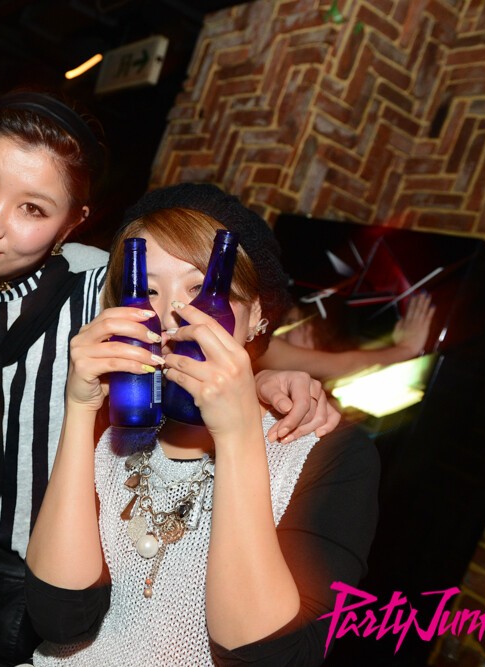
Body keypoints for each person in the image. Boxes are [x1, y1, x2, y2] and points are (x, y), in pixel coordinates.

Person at [0, 94, 341, 667]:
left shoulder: (106, 289)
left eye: (33, 208)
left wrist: (271, 380)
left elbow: (213, 328)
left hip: (45, 576)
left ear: (71, 223)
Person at [23, 183, 381, 666]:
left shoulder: (327, 453)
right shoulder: (113, 428)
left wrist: (237, 436)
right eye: (147, 289)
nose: (171, 316)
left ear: (257, 314)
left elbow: (268, 659)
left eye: (201, 288)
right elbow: (59, 620)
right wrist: (80, 409)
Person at [257, 292, 435, 381]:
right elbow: (341, 365)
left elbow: (341, 364)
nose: (279, 329)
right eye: (288, 321)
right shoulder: (258, 342)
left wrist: (404, 349)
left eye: (294, 324)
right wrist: (404, 350)